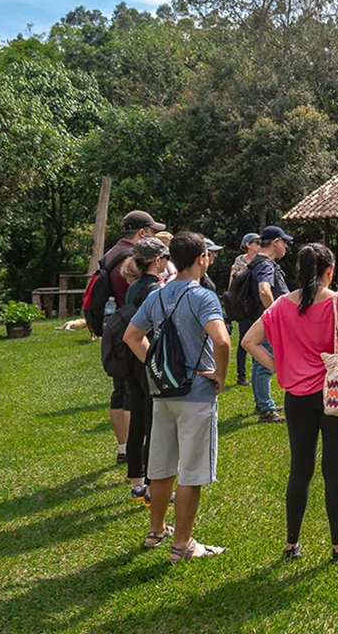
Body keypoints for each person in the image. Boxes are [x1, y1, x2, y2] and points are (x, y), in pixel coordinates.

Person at [242, 243, 338, 562]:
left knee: (300, 470)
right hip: (334, 395)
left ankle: (291, 544)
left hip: (296, 398)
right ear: (329, 271)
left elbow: (248, 341)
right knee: (334, 469)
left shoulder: (281, 305)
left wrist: (278, 365)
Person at [123, 232, 230, 562]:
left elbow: (132, 336)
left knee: (161, 465)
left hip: (163, 393)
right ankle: (183, 544)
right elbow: (222, 341)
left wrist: (156, 368)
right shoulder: (203, 297)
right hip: (196, 394)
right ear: (201, 258)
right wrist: (220, 375)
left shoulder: (155, 295)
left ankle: (156, 530)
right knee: (192, 472)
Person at [103, 210, 166, 466]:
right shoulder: (145, 280)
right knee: (145, 411)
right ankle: (143, 462)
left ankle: (127, 452)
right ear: (142, 233)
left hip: (120, 338)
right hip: (141, 345)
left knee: (124, 397)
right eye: (151, 230)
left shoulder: (111, 256)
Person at [120, 237, 168, 502]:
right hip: (147, 357)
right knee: (154, 423)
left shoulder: (133, 286)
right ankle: (152, 485)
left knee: (138, 420)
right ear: (157, 261)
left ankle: (137, 481)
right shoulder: (154, 290)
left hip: (131, 358)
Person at [248, 225, 292, 423]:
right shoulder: (266, 264)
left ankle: (262, 402)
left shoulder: (258, 261)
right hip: (267, 322)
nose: (286, 247)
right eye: (285, 242)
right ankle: (266, 408)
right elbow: (264, 290)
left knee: (259, 364)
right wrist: (275, 316)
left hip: (260, 319)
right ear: (276, 243)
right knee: (265, 365)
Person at [229, 233, 261, 386]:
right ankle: (241, 376)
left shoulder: (261, 260)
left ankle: (257, 373)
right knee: (243, 340)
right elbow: (233, 283)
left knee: (258, 341)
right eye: (256, 242)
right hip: (244, 306)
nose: (259, 245)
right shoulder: (239, 261)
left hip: (257, 305)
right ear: (248, 245)